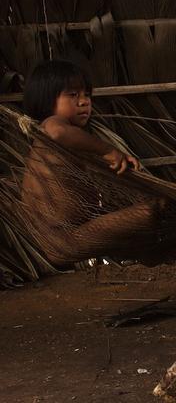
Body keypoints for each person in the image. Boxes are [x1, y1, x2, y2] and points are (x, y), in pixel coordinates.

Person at [20, 60, 167, 266]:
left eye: (86, 95)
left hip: (69, 239)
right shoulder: (51, 124)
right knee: (151, 211)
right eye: (73, 95)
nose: (84, 102)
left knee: (151, 213)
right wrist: (109, 151)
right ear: (46, 100)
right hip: (66, 241)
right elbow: (58, 132)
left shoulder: (71, 144)